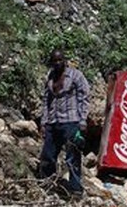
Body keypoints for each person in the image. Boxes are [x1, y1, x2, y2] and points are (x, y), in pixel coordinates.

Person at [38, 49, 90, 195]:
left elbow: (84, 97)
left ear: (65, 60)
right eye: (54, 61)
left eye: (60, 60)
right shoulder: (50, 76)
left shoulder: (76, 75)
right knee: (48, 155)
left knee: (72, 157)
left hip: (71, 121)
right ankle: (48, 185)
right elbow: (46, 100)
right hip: (53, 122)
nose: (57, 63)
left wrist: (83, 120)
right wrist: (43, 122)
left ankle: (75, 189)